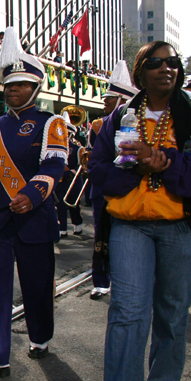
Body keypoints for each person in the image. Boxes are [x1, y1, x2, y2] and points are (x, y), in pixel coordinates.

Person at [88, 41, 191, 381]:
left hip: (181, 227)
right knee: (128, 312)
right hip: (129, 225)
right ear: (141, 73)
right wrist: (135, 169)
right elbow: (98, 173)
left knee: (172, 312)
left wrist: (165, 162)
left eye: (173, 62)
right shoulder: (117, 119)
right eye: (156, 62)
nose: (166, 68)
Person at [0, 27, 67, 381]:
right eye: (9, 85)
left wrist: (33, 194)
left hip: (34, 217)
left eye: (22, 84)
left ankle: (40, 335)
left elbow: (54, 165)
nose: (13, 90)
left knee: (37, 287)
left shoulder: (51, 123)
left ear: (36, 88)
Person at [86, 60, 138, 301]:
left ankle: (125, 280)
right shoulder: (98, 124)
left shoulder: (136, 119)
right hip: (103, 188)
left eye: (109, 98)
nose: (104, 102)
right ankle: (101, 280)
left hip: (130, 188)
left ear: (122, 99)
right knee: (101, 235)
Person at [55, 112, 84, 237]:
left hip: (73, 181)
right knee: (60, 205)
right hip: (60, 181)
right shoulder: (56, 147)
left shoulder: (78, 149)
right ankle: (62, 229)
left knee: (73, 205)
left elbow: (82, 166)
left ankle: (78, 224)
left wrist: (72, 172)